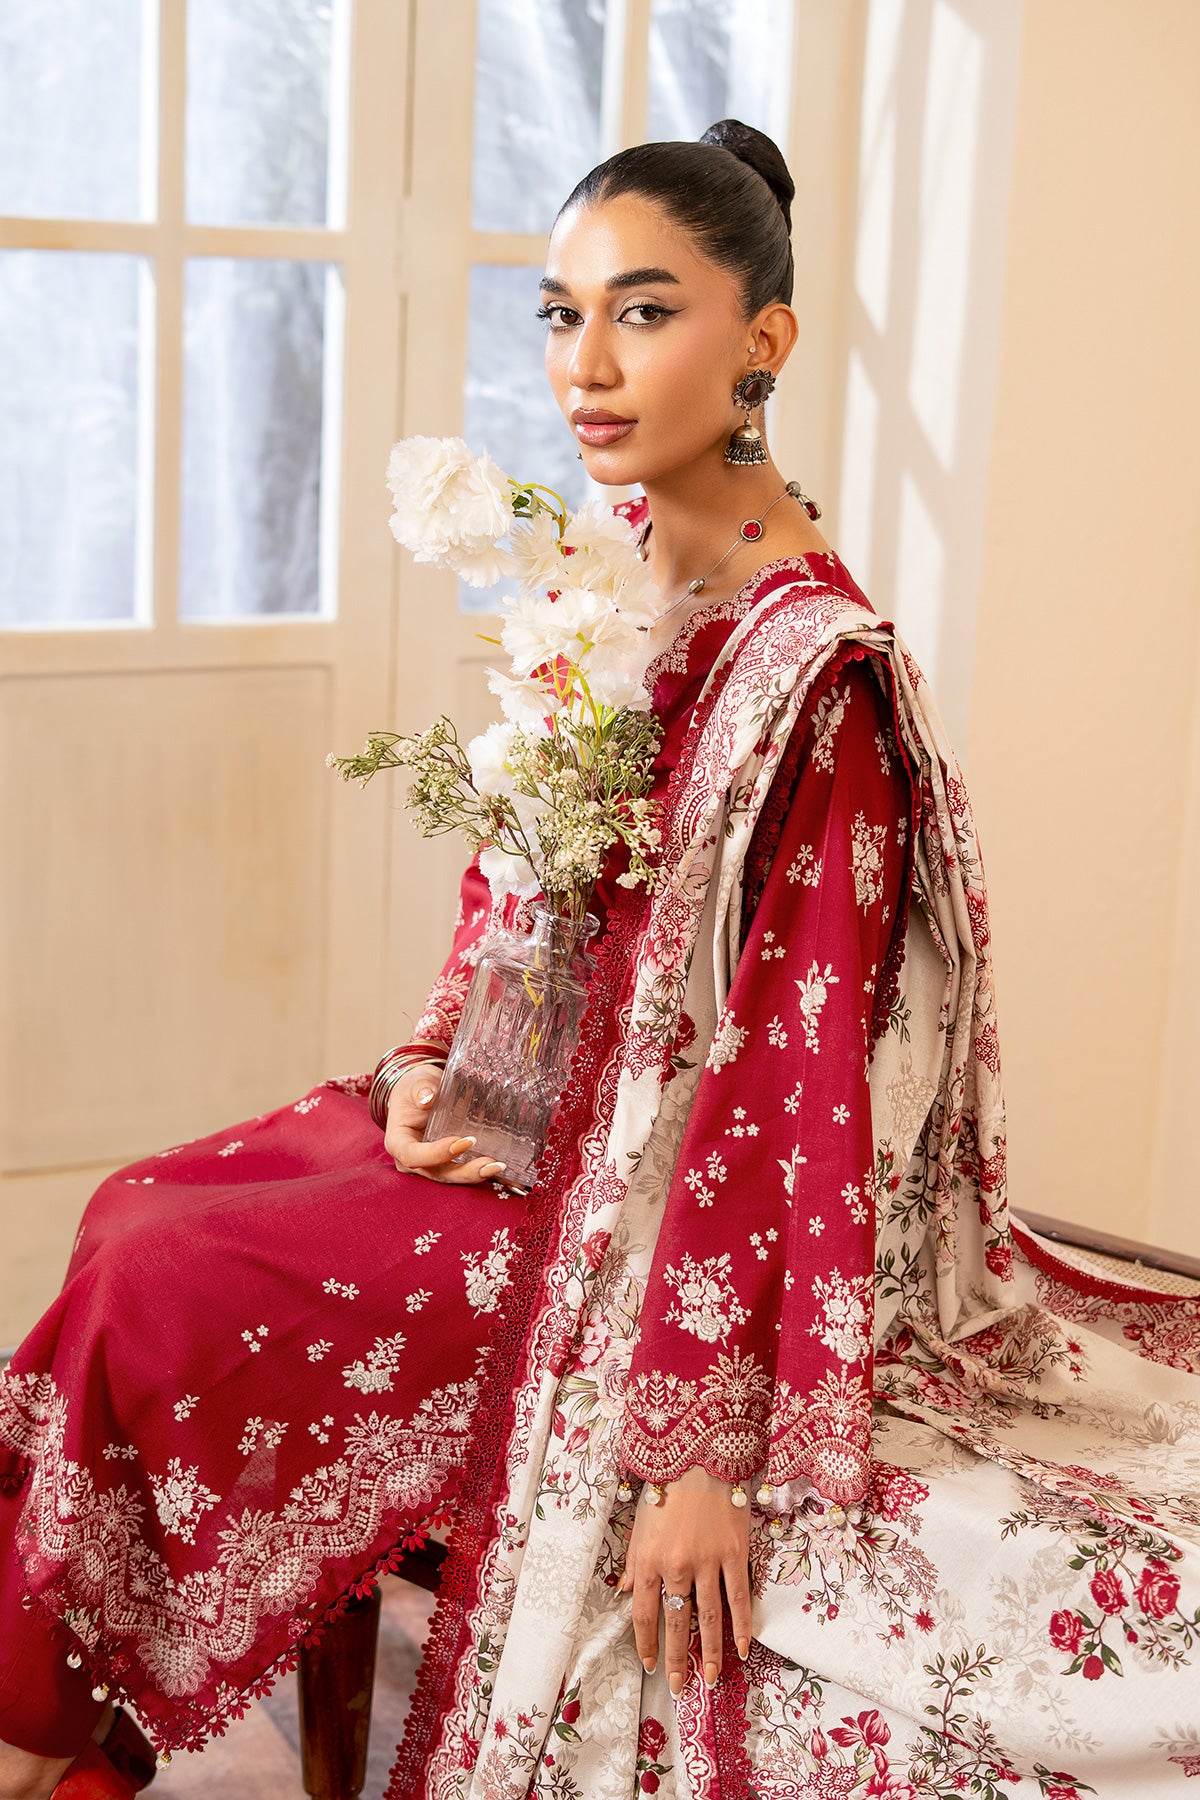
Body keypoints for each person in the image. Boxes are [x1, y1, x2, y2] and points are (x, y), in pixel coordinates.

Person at [2, 119, 1198, 1800]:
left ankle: (65, 1746)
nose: (587, 363)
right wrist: (431, 1063)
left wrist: (693, 1449)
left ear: (764, 340)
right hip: (516, 1136)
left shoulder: (819, 676)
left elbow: (791, 1080)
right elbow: (511, 898)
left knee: (167, 1276)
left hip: (642, 1229)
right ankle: (81, 1721)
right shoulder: (612, 574)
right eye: (561, 316)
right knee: (140, 1213)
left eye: (644, 312)